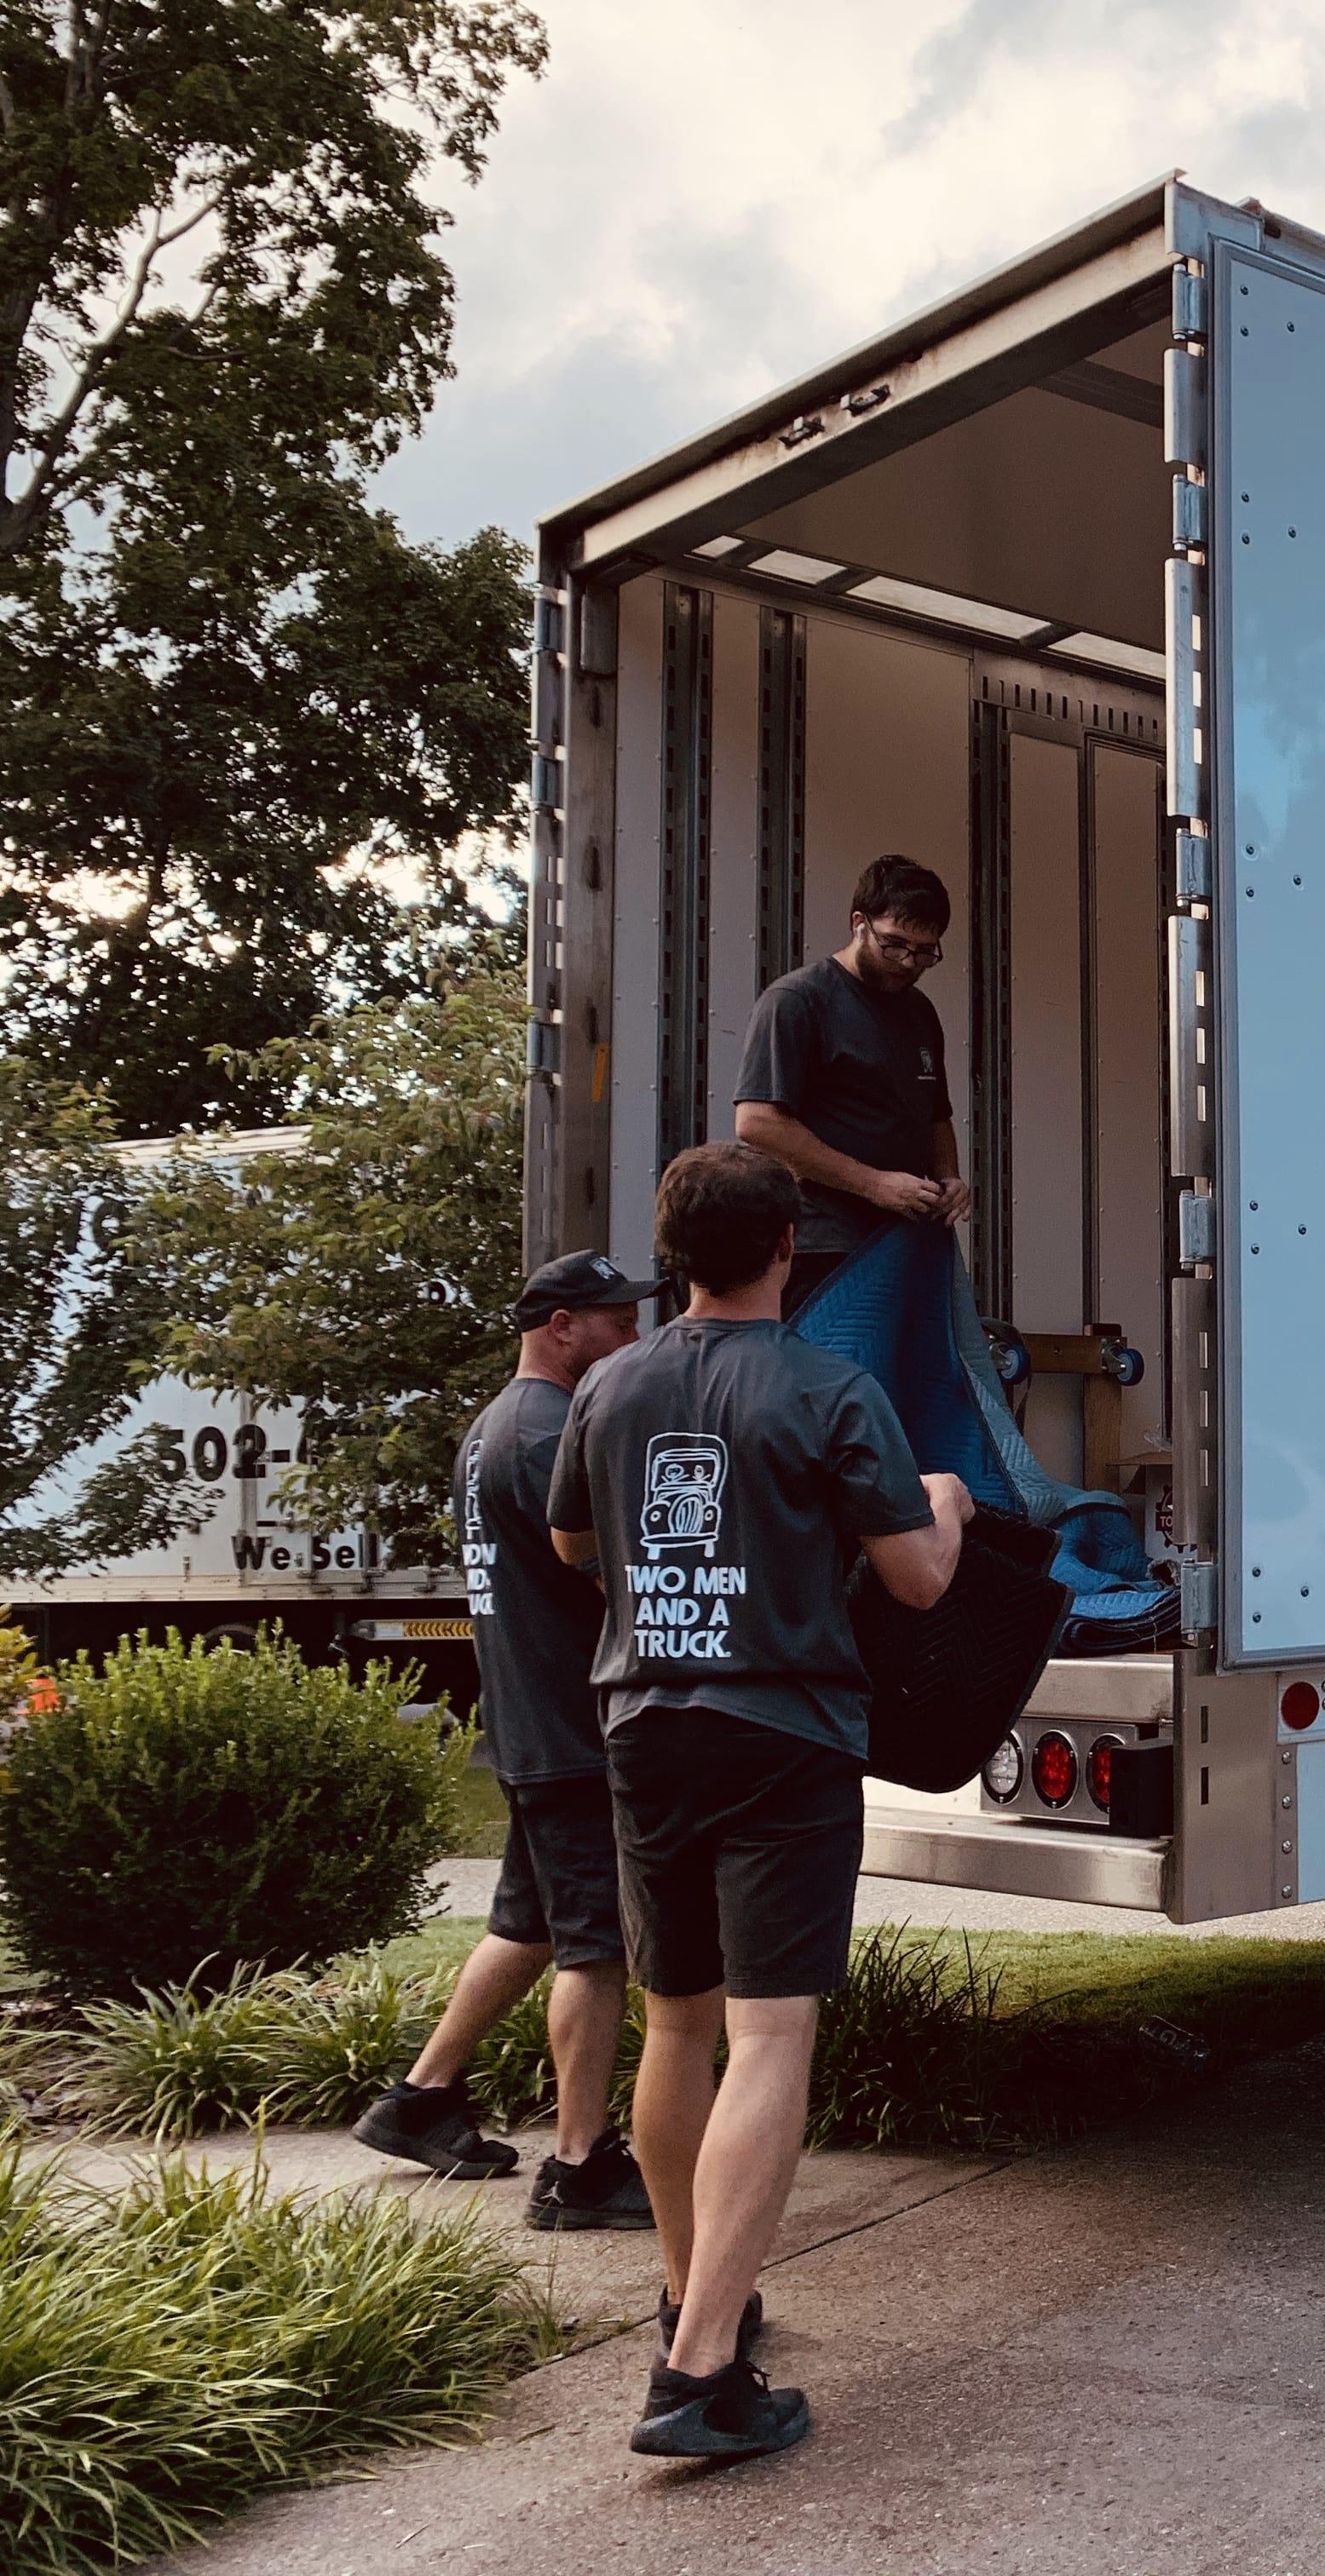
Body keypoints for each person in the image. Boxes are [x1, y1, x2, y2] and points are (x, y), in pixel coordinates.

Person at [549, 1141, 971, 2462]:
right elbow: (916, 1583)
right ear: (787, 1248)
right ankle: (697, 2372)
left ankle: (697, 2299)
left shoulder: (609, 1384)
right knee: (770, 2037)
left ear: (674, 1256)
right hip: (780, 1731)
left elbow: (574, 1544)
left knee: (677, 2025)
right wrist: (943, 1503)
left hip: (644, 1723)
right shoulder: (831, 1388)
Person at [354, 1251, 659, 2230]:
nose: (631, 1336)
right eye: (615, 1321)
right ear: (560, 1326)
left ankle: (422, 2100)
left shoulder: (496, 1427)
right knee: (596, 1949)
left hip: (530, 1720)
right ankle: (579, 2167)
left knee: (526, 1927)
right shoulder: (545, 1433)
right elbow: (610, 1576)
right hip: (572, 1729)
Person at [734, 853, 974, 1316]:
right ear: (858, 923)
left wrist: (949, 1177)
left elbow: (935, 1116)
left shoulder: (920, 1011)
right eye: (894, 945)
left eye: (926, 952)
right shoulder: (798, 1001)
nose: (908, 962)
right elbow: (757, 1123)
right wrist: (873, 1184)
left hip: (904, 1240)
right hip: (822, 1246)